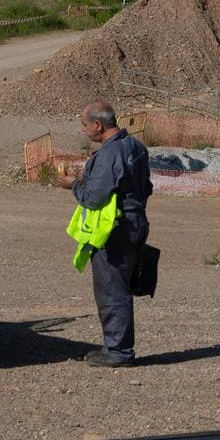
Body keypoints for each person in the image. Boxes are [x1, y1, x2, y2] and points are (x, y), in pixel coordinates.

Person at [55, 100, 154, 367]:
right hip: (135, 222)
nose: (84, 130)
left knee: (112, 289)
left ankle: (118, 352)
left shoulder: (110, 154)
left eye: (84, 125)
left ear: (98, 124)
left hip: (115, 229)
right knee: (119, 286)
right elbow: (147, 187)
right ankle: (118, 347)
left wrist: (72, 184)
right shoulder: (135, 146)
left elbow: (94, 198)